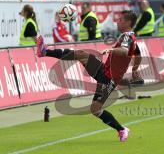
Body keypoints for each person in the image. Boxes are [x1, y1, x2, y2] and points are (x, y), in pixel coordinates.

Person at [36, 10, 141, 142]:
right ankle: (45, 51)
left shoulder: (127, 37)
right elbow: (138, 53)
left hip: (109, 80)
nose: (117, 22)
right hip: (105, 70)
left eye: (120, 20)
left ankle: (121, 129)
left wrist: (112, 50)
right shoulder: (131, 37)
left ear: (128, 22)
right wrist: (136, 69)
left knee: (95, 109)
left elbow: (125, 51)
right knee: (81, 54)